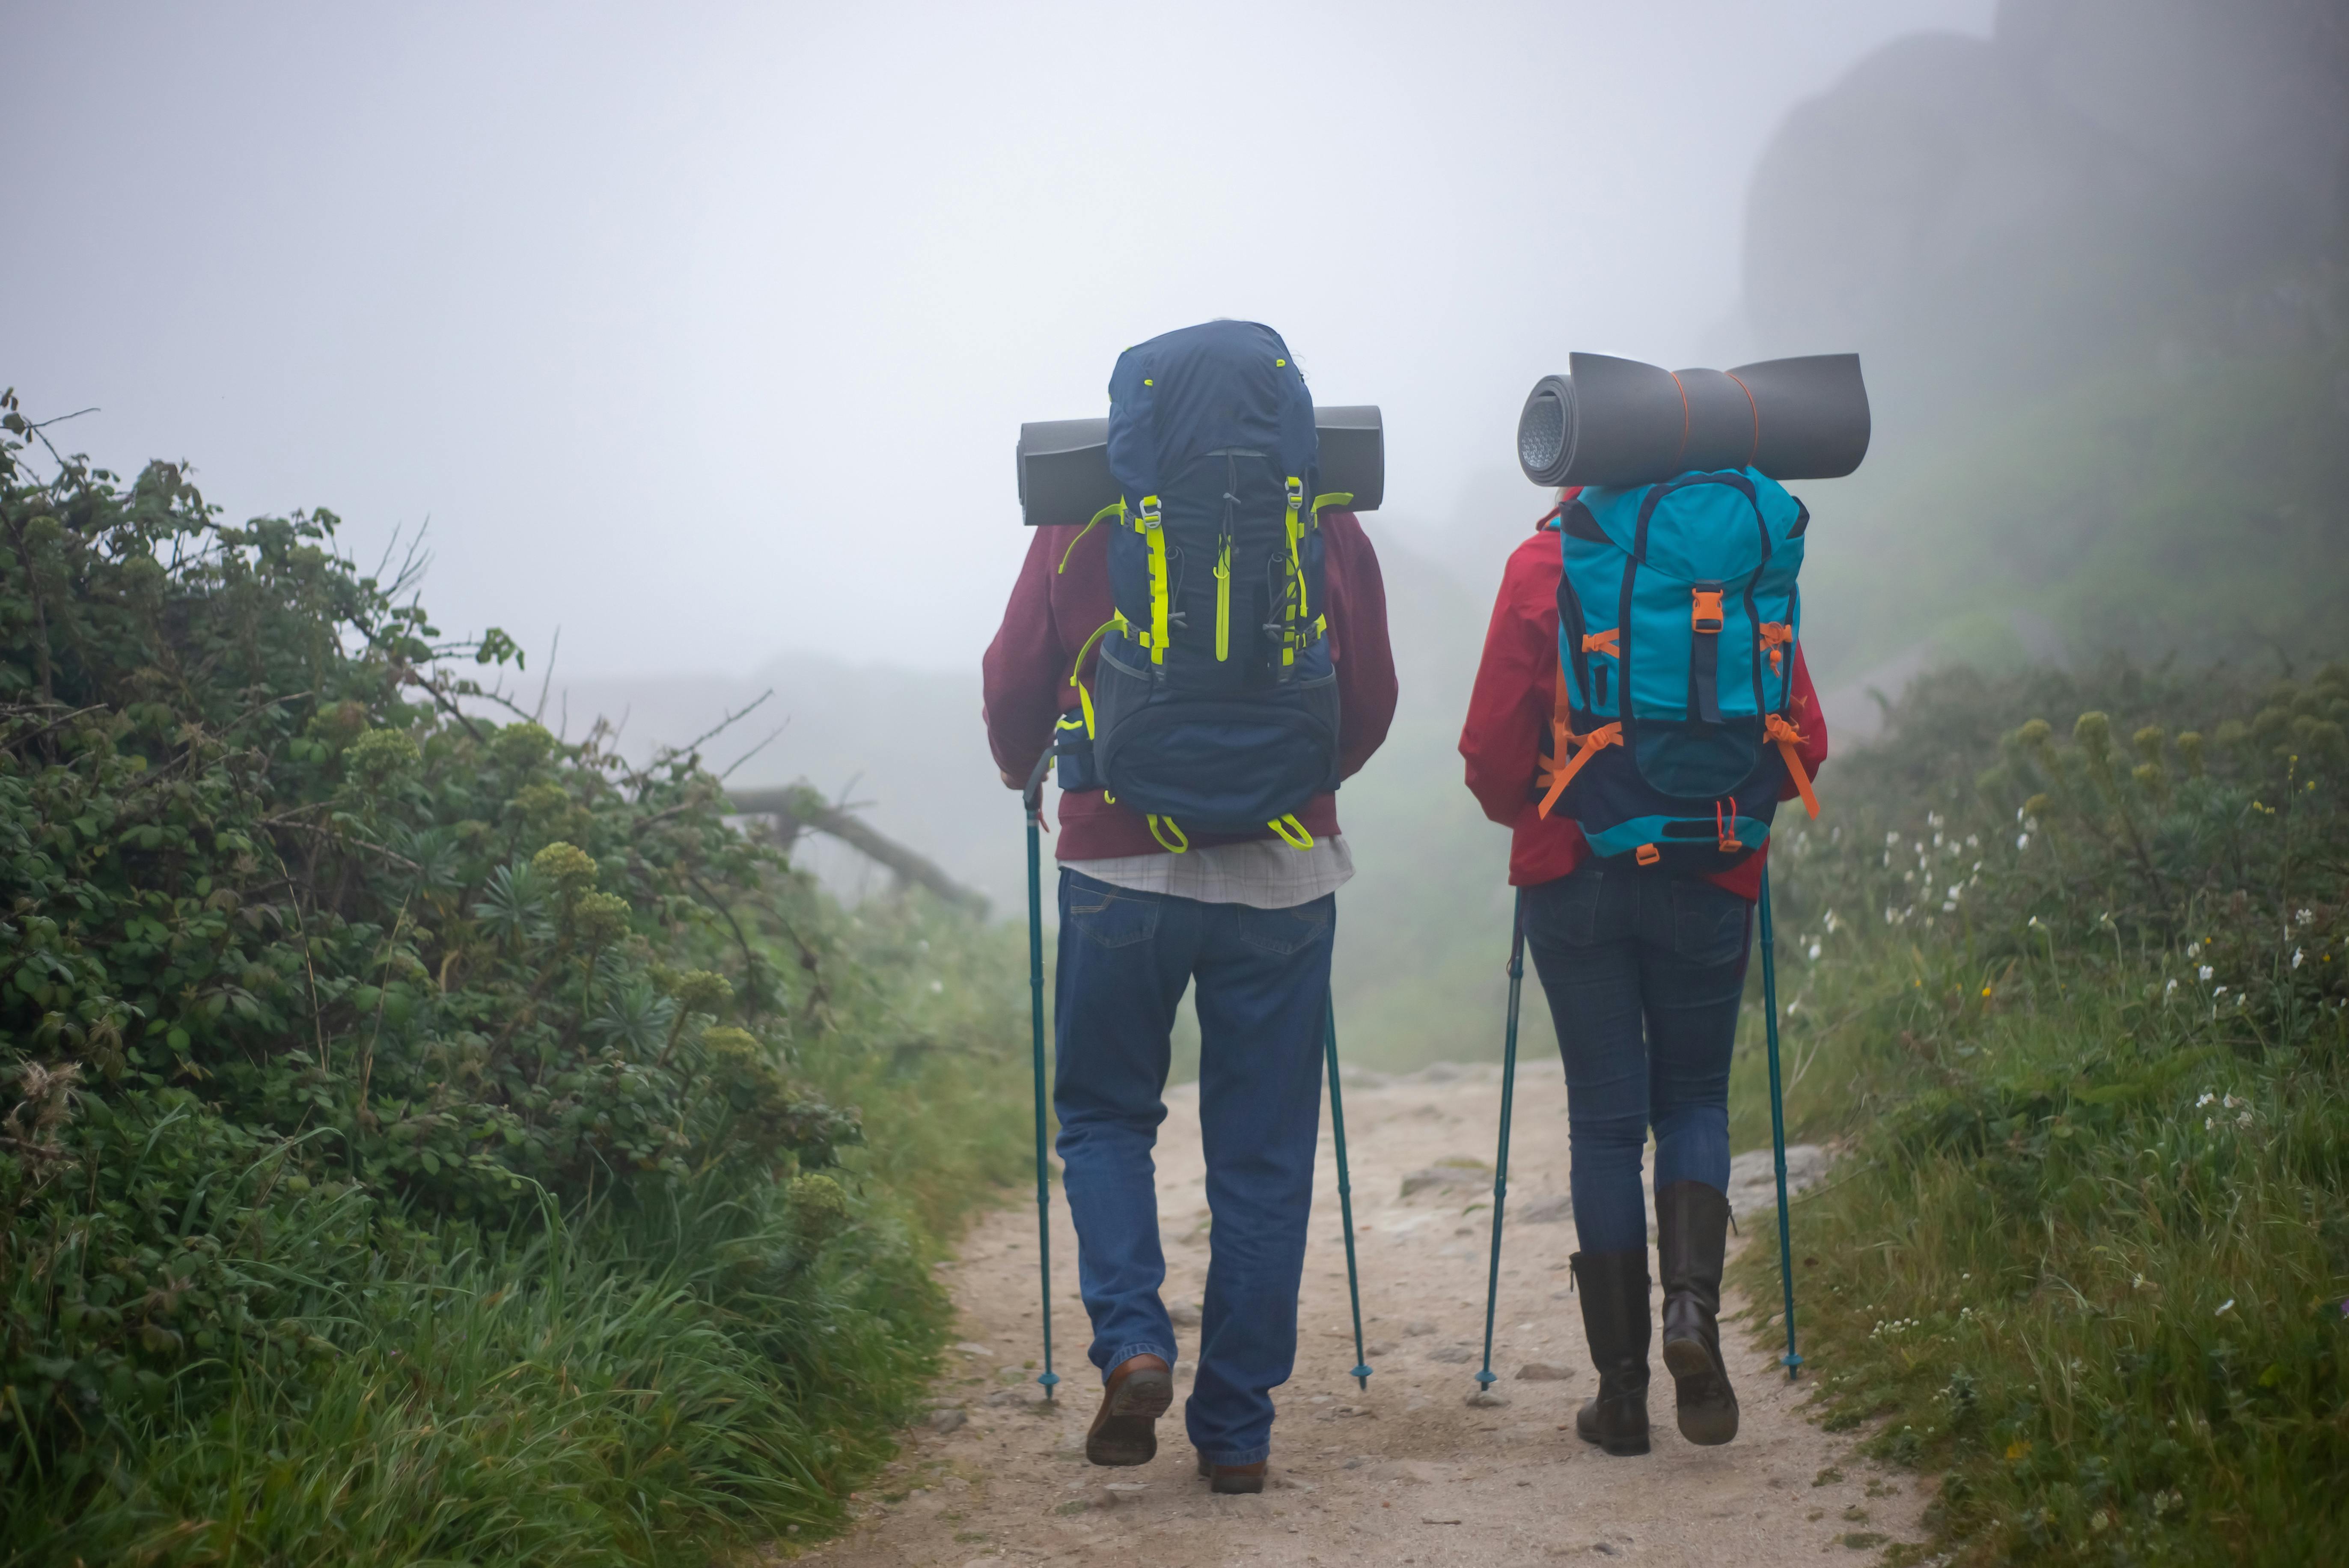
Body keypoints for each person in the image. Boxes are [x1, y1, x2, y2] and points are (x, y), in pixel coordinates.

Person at [982, 348, 1396, 1494]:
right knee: (1262, 1157)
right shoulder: (1316, 507)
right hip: (1286, 875)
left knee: (1107, 1118)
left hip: (1121, 869)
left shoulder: (1087, 507)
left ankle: (1134, 1342)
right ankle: (1239, 1433)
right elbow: (1370, 700)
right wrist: (1301, 788)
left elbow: (1017, 682)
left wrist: (1028, 768)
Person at [1457, 485, 1828, 1456]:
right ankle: (1690, 1319)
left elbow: (1491, 754)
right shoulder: (1742, 562)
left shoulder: (1546, 564)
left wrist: (1537, 807)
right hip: (1712, 865)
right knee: (1696, 1101)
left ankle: (1620, 1394)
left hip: (1573, 871)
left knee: (1605, 1123)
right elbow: (1807, 740)